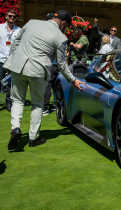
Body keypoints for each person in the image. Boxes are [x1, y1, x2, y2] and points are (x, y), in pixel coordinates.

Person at [3, 10, 85, 149]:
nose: (66, 28)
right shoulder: (61, 37)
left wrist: (12, 60)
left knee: (17, 100)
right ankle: (33, 137)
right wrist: (73, 80)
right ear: (63, 22)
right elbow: (61, 64)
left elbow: (15, 41)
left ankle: (15, 128)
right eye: (66, 26)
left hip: (18, 66)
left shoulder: (31, 22)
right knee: (37, 104)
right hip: (38, 70)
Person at [0, 9, 21, 109]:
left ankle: (9, 103)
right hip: (0, 59)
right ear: (6, 16)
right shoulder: (0, 28)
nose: (12, 18)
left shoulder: (19, 30)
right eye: (10, 16)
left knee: (11, 83)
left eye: (14, 16)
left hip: (13, 61)